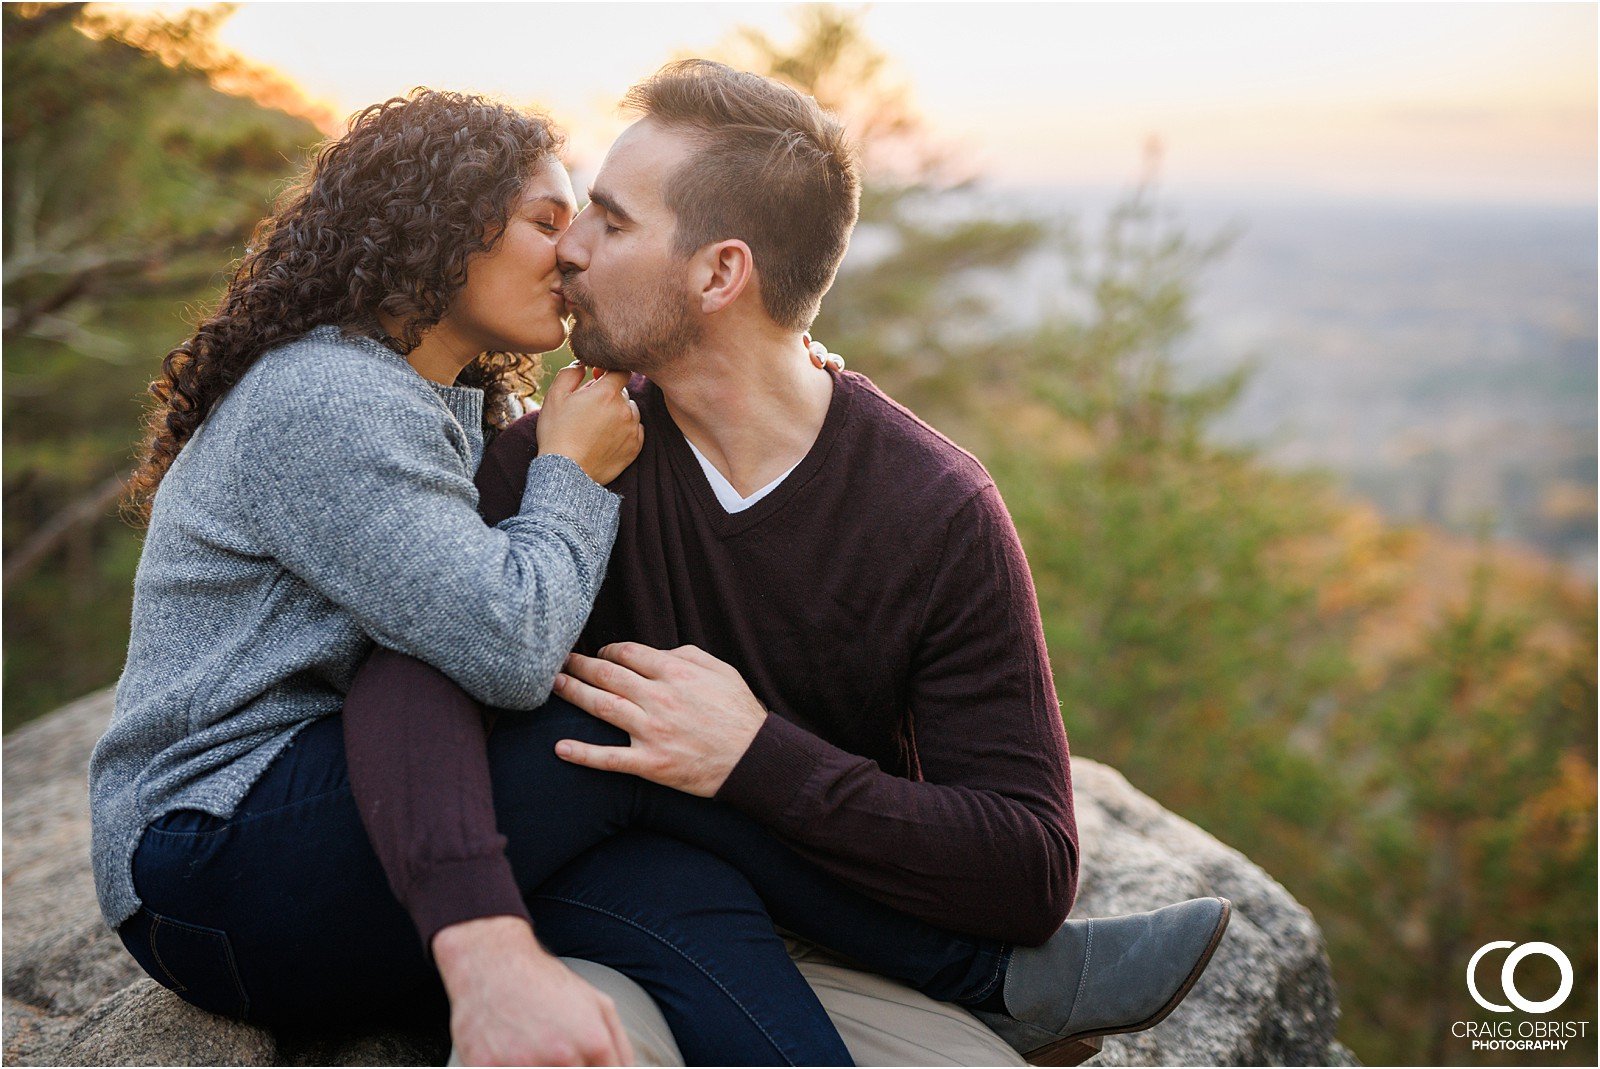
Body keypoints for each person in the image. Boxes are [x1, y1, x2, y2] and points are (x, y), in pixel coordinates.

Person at [342, 61, 1231, 1067]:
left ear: (719, 274)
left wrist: (754, 754)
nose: (570, 251)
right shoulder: (566, 456)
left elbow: (1023, 867)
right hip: (616, 917)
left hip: (847, 943)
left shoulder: (934, 511)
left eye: (613, 223)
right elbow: (415, 668)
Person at [88, 89, 645, 1061]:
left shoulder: (426, 396)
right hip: (206, 853)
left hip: (281, 833)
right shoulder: (330, 392)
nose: (570, 253)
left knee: (649, 835)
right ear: (442, 223)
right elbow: (508, 645)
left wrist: (778, 373)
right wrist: (569, 471)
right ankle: (946, 949)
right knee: (624, 736)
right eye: (544, 221)